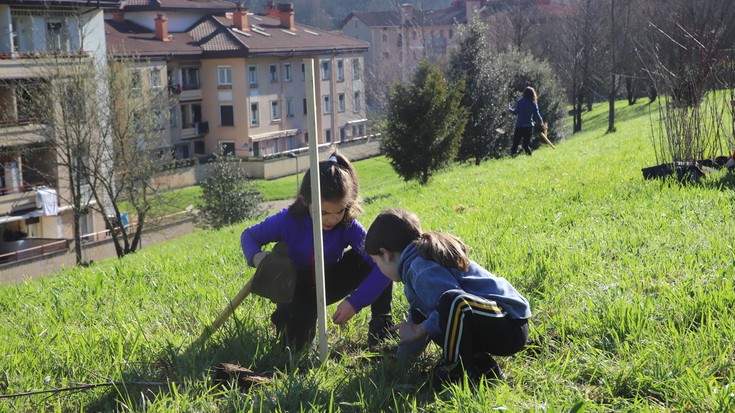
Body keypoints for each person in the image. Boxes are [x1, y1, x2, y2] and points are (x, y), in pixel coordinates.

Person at [241, 151, 393, 350]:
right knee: (294, 347)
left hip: (331, 278)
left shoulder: (348, 226)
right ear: (305, 201)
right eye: (322, 212)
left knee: (379, 258)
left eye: (339, 211)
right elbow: (249, 236)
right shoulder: (287, 220)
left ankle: (381, 326)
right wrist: (257, 257)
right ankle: (286, 319)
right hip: (296, 288)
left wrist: (355, 302)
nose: (331, 219)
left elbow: (383, 265)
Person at [364, 208, 531, 386]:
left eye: (376, 262)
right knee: (433, 318)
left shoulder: (421, 269)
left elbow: (452, 304)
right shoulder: (413, 269)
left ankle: (455, 369)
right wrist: (400, 364)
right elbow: (419, 319)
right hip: (491, 322)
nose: (379, 268)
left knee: (450, 304)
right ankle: (480, 366)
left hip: (509, 324)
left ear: (386, 254)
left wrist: (419, 329)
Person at [509, 86, 546, 156]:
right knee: (525, 145)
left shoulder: (520, 102)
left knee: (515, 144)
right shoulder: (534, 104)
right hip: (529, 127)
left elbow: (515, 112)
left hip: (519, 126)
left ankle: (512, 158)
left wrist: (509, 109)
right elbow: (538, 115)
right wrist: (542, 124)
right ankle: (530, 157)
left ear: (524, 94)